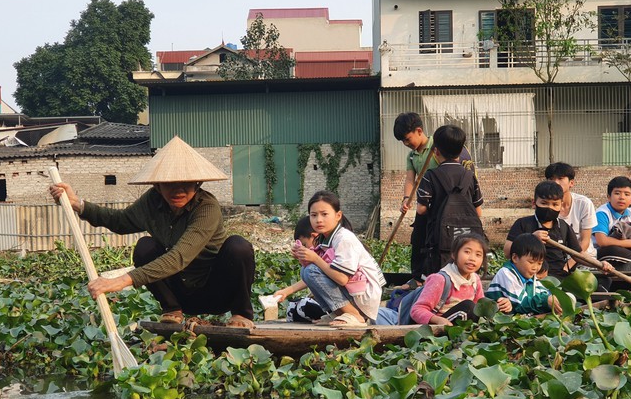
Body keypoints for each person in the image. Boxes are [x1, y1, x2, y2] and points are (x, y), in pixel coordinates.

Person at [48, 136, 256, 328]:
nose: (179, 191)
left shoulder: (207, 207)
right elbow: (120, 221)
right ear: (157, 185)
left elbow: (179, 257)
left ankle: (241, 314)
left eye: (186, 184)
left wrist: (120, 281)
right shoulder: (152, 201)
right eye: (170, 185)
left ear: (197, 183)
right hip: (181, 293)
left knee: (239, 246)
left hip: (216, 292)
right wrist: (78, 204)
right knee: (145, 246)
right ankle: (172, 309)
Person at [394, 112, 475, 288]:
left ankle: (445, 278)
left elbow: (458, 172)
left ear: (419, 131)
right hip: (425, 205)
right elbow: (410, 180)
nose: (406, 144)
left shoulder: (438, 146)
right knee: (418, 238)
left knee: (442, 243)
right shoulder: (412, 156)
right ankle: (417, 278)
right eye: (403, 142)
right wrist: (406, 199)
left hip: (445, 207)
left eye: (408, 139)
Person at [293, 190, 386, 328]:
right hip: (353, 292)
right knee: (305, 271)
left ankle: (355, 316)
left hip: (363, 295)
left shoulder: (344, 238)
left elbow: (342, 278)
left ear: (338, 216)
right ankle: (339, 313)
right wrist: (303, 258)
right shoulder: (325, 238)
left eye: (324, 214)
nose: (319, 220)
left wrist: (315, 259)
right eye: (314, 215)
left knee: (311, 270)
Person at [416, 125, 484, 275]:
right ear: (461, 151)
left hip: (440, 242)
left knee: (442, 278)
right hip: (466, 239)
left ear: (436, 151)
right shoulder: (469, 176)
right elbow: (478, 212)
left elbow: (421, 209)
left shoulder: (430, 176)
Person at [401, 234, 506, 326]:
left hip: (459, 326)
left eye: (478, 255)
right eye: (467, 252)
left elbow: (480, 309)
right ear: (454, 254)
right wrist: (438, 320)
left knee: (472, 308)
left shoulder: (475, 280)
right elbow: (416, 310)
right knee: (468, 307)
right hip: (435, 328)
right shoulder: (440, 280)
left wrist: (499, 306)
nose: (472, 258)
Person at [504, 181, 586, 278]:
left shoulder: (563, 227)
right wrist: (531, 239)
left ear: (561, 205)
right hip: (531, 278)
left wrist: (601, 265)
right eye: (544, 203)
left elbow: (578, 254)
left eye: (555, 204)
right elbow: (507, 252)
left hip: (558, 280)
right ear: (534, 203)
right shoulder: (523, 224)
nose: (549, 208)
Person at [486, 233, 562, 315]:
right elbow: (520, 303)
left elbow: (544, 294)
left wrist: (554, 299)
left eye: (539, 263)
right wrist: (545, 301)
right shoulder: (506, 273)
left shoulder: (531, 277)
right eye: (531, 262)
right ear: (515, 258)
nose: (535, 268)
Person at [272, 216, 325, 323]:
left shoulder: (330, 251)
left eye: (304, 245)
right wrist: (286, 292)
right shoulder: (318, 254)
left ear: (315, 236)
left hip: (343, 304)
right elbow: (310, 276)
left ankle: (332, 315)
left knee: (303, 306)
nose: (304, 249)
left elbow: (314, 274)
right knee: (291, 308)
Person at [545, 162, 598, 258]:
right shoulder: (545, 206)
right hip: (557, 258)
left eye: (560, 178)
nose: (556, 183)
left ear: (571, 183)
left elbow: (585, 240)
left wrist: (571, 262)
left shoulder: (584, 203)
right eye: (551, 179)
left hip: (584, 257)